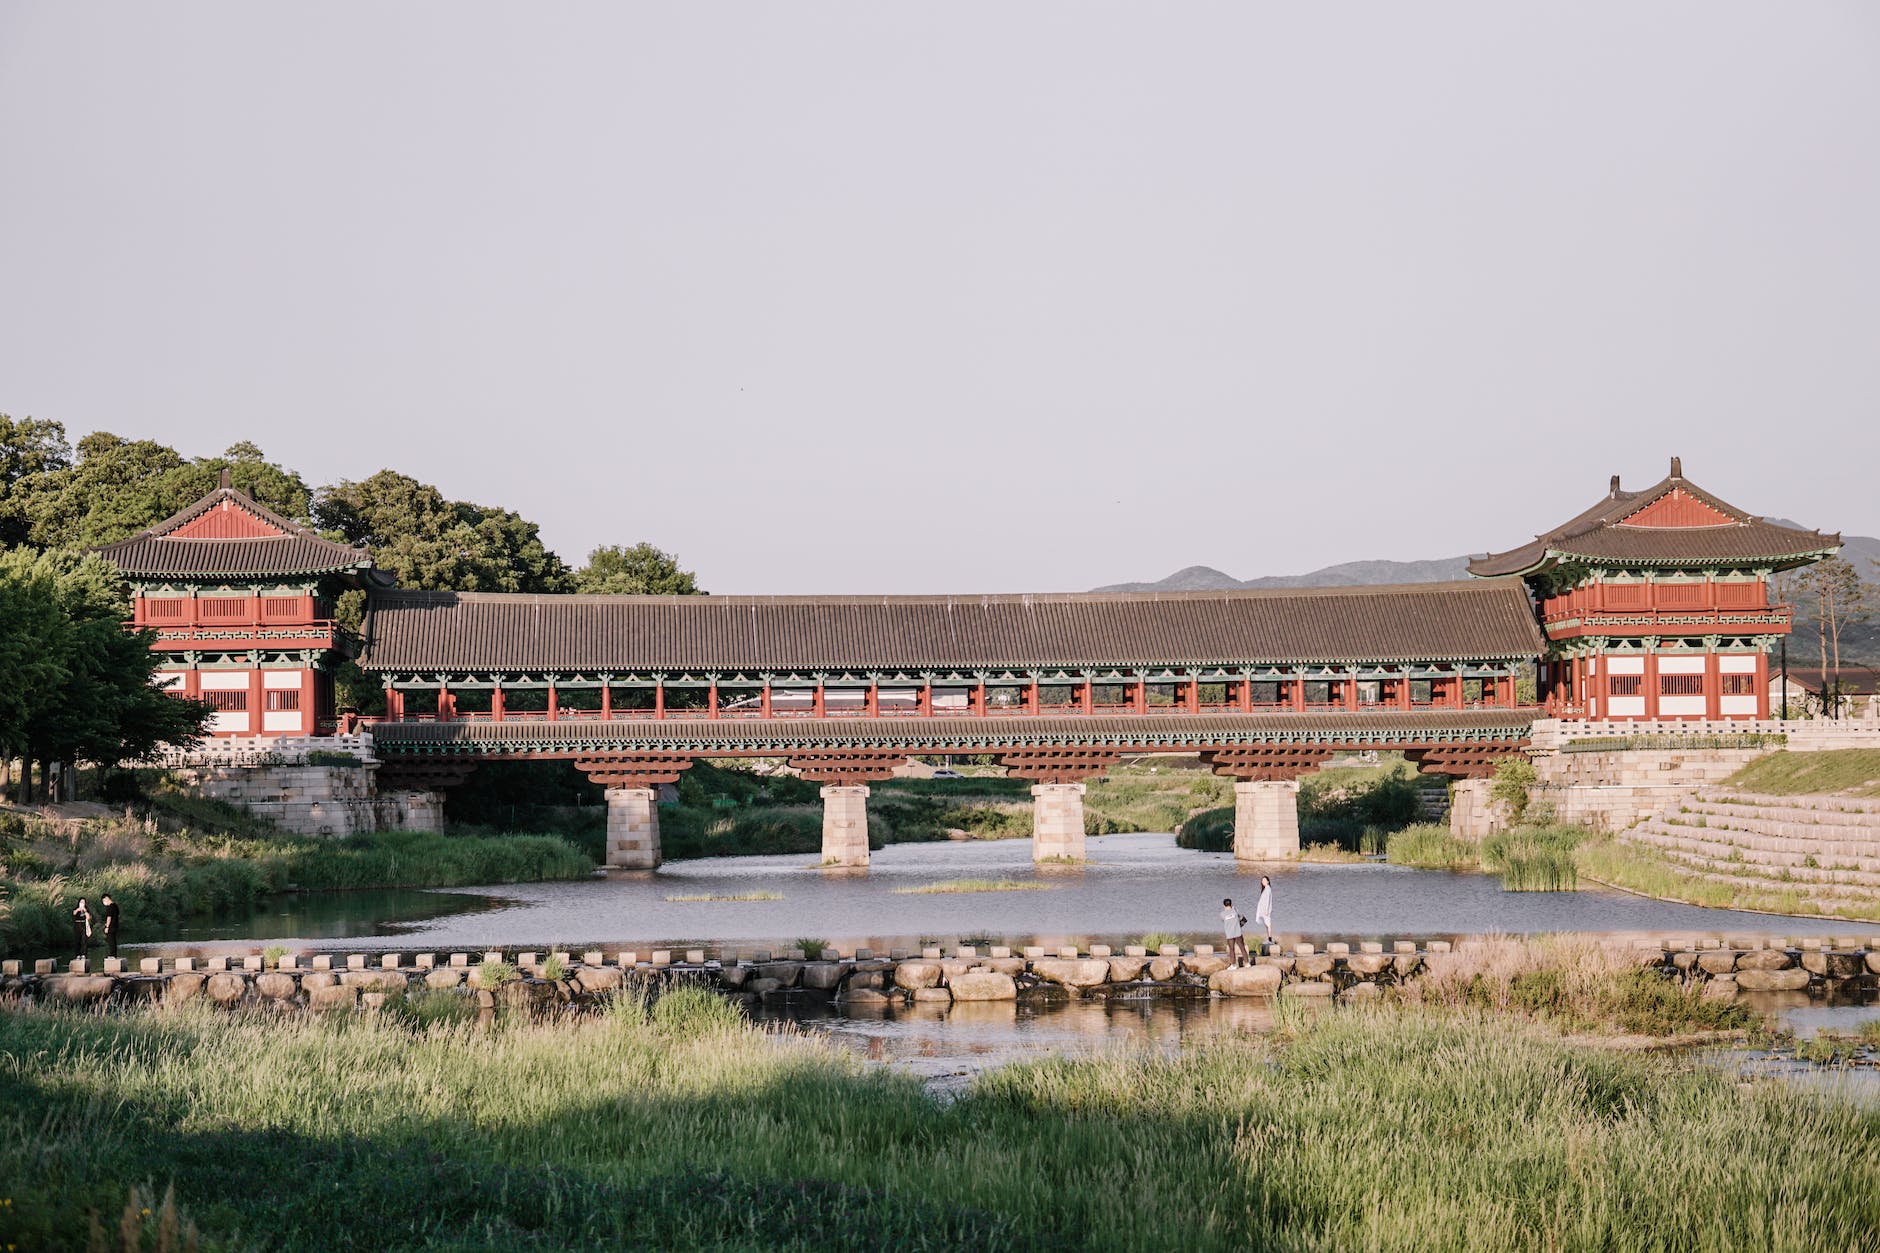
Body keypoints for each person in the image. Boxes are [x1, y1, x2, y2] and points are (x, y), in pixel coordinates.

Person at [1220, 897, 1250, 968]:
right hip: (1238, 933)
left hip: (1230, 935)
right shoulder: (1235, 910)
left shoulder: (1222, 914)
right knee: (1242, 948)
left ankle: (1233, 965)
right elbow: (1243, 919)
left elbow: (1223, 920)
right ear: (1231, 904)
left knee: (1231, 949)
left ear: (1224, 905)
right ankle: (1247, 963)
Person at [1254, 875, 1275, 947]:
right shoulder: (1265, 889)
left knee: (1268, 924)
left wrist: (1266, 910)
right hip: (1263, 910)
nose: (1263, 882)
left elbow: (1268, 900)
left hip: (1266, 910)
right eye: (1262, 881)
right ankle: (1268, 938)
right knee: (1266, 925)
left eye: (1264, 880)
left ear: (1268, 881)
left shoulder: (1268, 889)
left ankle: (1270, 939)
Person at [100, 894, 120, 959]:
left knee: (110, 940)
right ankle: (114, 954)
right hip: (116, 925)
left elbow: (109, 917)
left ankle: (112, 954)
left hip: (111, 926)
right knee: (114, 940)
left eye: (103, 900)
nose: (104, 902)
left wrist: (107, 927)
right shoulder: (115, 906)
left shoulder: (110, 907)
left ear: (106, 898)